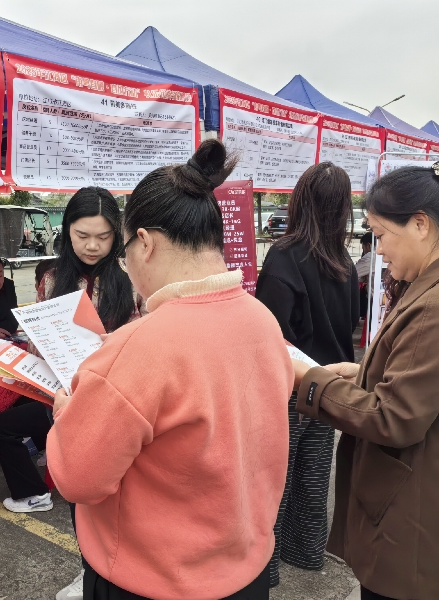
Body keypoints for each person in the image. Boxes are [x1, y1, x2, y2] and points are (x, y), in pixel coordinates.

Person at [46, 140, 294, 599]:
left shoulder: (139, 346)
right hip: (246, 569)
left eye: (122, 250)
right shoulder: (263, 321)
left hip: (152, 580)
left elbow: (78, 477)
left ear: (144, 243)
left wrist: (67, 413)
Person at [290, 162, 439, 600]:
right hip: (437, 498)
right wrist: (363, 373)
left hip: (415, 519)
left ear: (420, 225)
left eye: (380, 235)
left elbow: (393, 418)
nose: (379, 251)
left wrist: (309, 381)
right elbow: (435, 382)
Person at [0, 188, 140, 600]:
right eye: (82, 235)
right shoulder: (52, 279)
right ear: (66, 231)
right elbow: (39, 341)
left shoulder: (132, 276)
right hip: (67, 404)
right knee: (79, 494)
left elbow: (147, 339)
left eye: (103, 236)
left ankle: (125, 572)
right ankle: (89, 570)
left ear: (117, 234)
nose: (92, 245)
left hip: (118, 403)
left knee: (123, 495)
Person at [255, 162, 360, 587]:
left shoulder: (284, 256)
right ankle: (307, 551)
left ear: (299, 200)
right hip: (330, 387)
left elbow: (269, 329)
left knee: (275, 481)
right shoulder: (345, 262)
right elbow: (353, 321)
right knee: (313, 477)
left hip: (289, 386)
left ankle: (267, 567)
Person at [356, 232, 373, 319]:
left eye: (363, 248)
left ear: (369, 245)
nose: (364, 252)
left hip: (374, 301)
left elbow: (353, 275)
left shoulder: (369, 257)